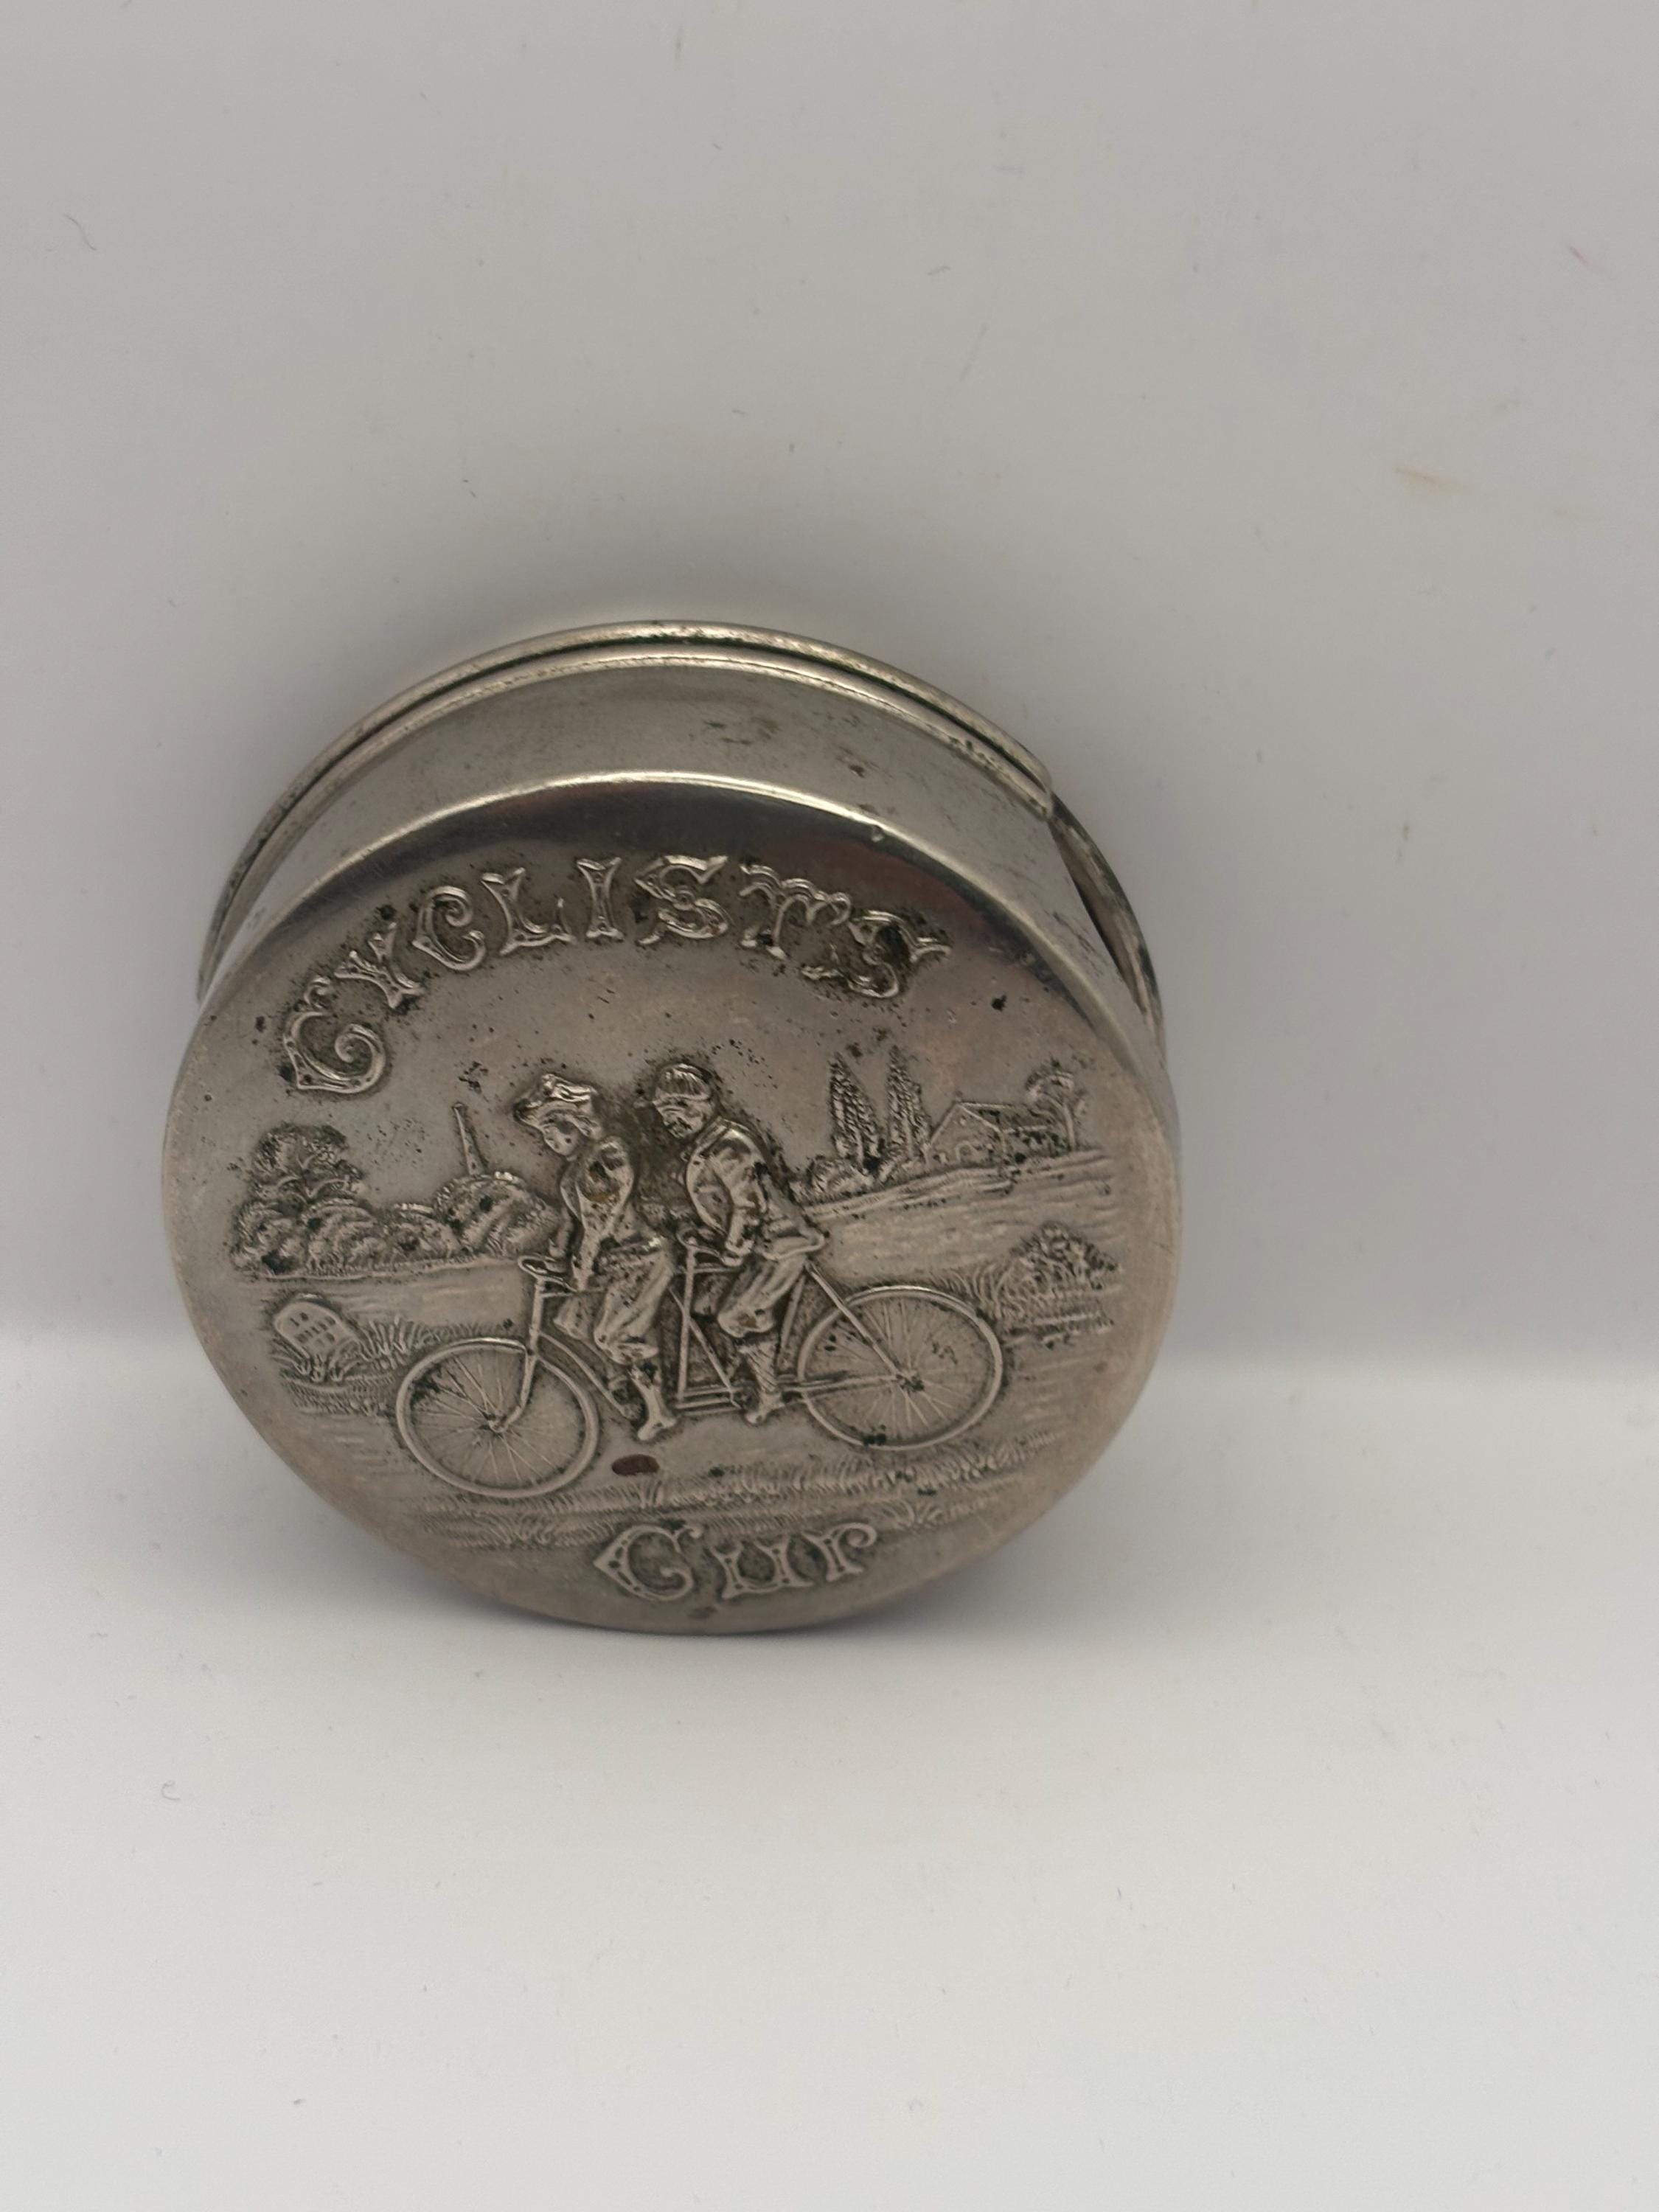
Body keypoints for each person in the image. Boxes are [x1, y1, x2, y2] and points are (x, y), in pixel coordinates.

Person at [649, 1061, 824, 1424]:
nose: (669, 1124)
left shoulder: (728, 1146)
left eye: (674, 1114)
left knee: (735, 1316)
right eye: (665, 1116)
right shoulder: (708, 1144)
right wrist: (707, 1235)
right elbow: (723, 1204)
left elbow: (749, 1206)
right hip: (759, 1245)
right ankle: (739, 1372)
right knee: (703, 1301)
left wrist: (732, 1251)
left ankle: (769, 1393)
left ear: (698, 1107)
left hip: (778, 1243)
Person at [512, 1072, 678, 1443]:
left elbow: (600, 1224)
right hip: (614, 1262)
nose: (551, 1141)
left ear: (578, 1123)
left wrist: (582, 1268)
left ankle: (659, 1412)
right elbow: (570, 1224)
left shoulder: (608, 1157)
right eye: (545, 1134)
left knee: (615, 1335)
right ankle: (621, 1383)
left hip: (643, 1257)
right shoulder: (574, 1170)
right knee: (574, 1320)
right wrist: (555, 1259)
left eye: (555, 1129)